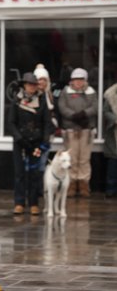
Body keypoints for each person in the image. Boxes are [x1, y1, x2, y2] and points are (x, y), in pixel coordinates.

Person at [8, 72, 52, 215]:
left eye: (33, 84)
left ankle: (33, 203)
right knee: (19, 173)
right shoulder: (16, 100)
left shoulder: (42, 100)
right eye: (29, 84)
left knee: (34, 173)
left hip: (36, 143)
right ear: (24, 85)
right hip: (20, 142)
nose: (31, 87)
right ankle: (19, 202)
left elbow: (47, 122)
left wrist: (45, 140)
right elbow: (11, 122)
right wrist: (19, 138)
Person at [58, 68, 98, 197]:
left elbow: (95, 106)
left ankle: (84, 184)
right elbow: (62, 107)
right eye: (76, 79)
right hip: (71, 130)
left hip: (86, 130)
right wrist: (74, 116)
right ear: (72, 80)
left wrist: (84, 114)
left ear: (85, 80)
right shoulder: (65, 92)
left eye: (81, 79)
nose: (78, 82)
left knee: (84, 159)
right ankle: (71, 183)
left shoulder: (91, 92)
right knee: (72, 158)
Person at [33, 63, 57, 193]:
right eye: (38, 79)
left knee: (43, 162)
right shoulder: (33, 96)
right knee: (34, 162)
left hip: (48, 135)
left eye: (43, 79)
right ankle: (34, 189)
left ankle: (40, 189)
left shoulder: (50, 95)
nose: (41, 82)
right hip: (36, 135)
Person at [103, 82, 117, 197]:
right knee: (113, 162)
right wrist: (115, 120)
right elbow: (106, 111)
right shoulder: (110, 94)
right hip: (114, 133)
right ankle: (111, 190)